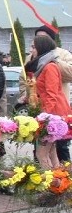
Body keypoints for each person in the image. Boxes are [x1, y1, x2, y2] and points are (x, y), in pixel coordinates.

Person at [31, 34, 71, 169]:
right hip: (53, 113)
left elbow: (51, 95)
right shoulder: (45, 65)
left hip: (54, 114)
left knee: (41, 154)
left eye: (34, 47)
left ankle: (50, 182)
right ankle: (59, 183)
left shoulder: (50, 67)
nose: (32, 50)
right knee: (52, 151)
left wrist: (45, 118)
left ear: (41, 48)